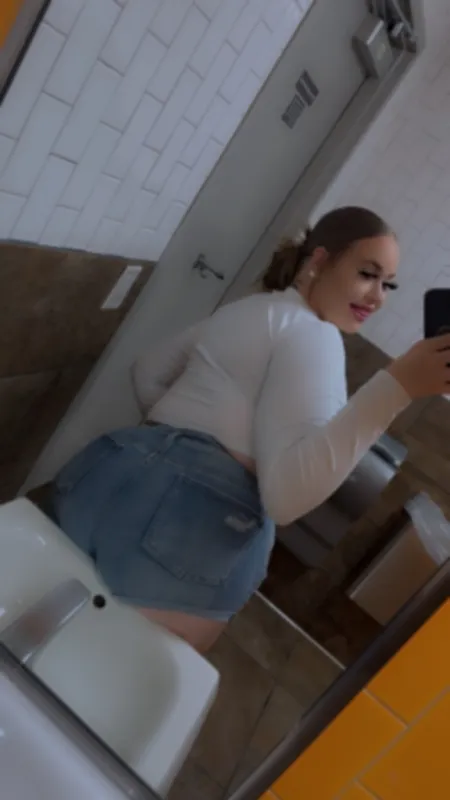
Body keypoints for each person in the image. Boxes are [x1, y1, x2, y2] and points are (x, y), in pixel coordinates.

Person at [43, 206, 450, 653]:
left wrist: (180, 443)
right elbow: (286, 497)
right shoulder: (315, 335)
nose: (378, 298)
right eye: (368, 275)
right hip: (188, 529)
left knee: (33, 620)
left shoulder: (251, 309)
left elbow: (147, 371)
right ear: (319, 260)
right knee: (98, 675)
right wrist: (398, 387)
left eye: (388, 284)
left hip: (104, 473)